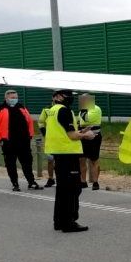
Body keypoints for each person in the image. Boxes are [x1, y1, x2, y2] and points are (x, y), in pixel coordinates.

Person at [44, 89, 95, 232]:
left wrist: (81, 132)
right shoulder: (65, 111)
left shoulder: (52, 110)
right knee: (73, 189)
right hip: (68, 154)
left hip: (59, 153)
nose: (70, 98)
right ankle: (69, 222)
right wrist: (87, 135)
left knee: (62, 189)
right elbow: (72, 135)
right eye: (67, 96)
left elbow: (62, 132)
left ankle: (59, 221)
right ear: (57, 97)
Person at [0, 90, 41, 192]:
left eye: (15, 97)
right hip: (8, 142)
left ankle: (31, 182)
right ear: (6, 98)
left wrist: (30, 136)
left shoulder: (22, 108)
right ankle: (15, 184)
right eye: (12, 98)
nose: (14, 99)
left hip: (23, 141)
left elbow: (29, 121)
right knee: (11, 164)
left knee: (27, 163)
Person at [77, 93, 103, 190]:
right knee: (81, 159)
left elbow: (86, 119)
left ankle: (95, 182)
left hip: (94, 137)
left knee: (94, 160)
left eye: (84, 100)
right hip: (83, 137)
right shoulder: (82, 111)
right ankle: (83, 181)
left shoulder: (96, 109)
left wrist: (83, 110)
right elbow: (79, 122)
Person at [38, 105, 56, 187]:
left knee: (61, 160)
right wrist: (44, 132)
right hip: (50, 139)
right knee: (50, 160)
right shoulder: (46, 110)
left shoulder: (65, 109)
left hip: (63, 139)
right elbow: (41, 121)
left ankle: (61, 178)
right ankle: (51, 178)